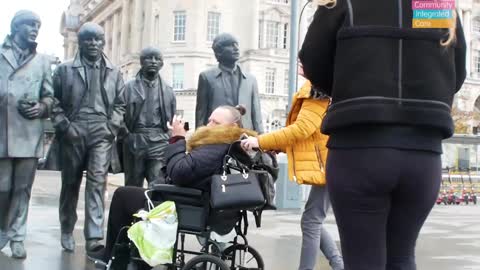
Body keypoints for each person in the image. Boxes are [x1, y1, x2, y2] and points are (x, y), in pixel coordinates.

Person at [298, 1, 466, 269]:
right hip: (422, 153)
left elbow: (313, 62)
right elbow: (455, 74)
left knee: (363, 260)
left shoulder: (344, 3)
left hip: (359, 148)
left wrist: (349, 85)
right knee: (401, 257)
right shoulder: (432, 5)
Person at [89, 105, 256, 264]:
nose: (209, 125)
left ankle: (112, 255)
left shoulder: (218, 146)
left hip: (186, 202)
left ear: (232, 126)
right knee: (132, 194)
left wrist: (177, 138)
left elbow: (179, 172)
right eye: (210, 120)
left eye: (216, 122)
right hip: (197, 199)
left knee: (122, 195)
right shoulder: (227, 145)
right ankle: (128, 254)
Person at [241, 78, 344, 270]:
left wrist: (260, 142)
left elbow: (301, 129)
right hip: (333, 161)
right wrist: (274, 145)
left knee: (312, 220)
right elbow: (311, 137)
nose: (301, 63)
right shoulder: (322, 87)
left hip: (333, 163)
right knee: (312, 219)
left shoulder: (317, 90)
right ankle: (339, 265)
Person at [50, 22, 126, 252]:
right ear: (80, 42)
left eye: (98, 39)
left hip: (101, 132)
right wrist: (65, 126)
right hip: (74, 129)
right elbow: (53, 102)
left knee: (97, 183)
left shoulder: (114, 71)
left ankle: (94, 237)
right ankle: (66, 229)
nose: (94, 44)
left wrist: (111, 127)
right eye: (88, 39)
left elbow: (120, 105)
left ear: (103, 42)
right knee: (70, 183)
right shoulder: (64, 70)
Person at [0, 10, 55, 259]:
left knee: (22, 189)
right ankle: (2, 229)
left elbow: (50, 96)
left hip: (28, 133)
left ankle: (17, 236)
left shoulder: (43, 61)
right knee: (2, 188)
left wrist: (41, 107)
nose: (35, 29)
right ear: (16, 27)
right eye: (30, 25)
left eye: (38, 25)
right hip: (2, 132)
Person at [121, 46, 176, 187]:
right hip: (135, 138)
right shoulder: (128, 88)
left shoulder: (168, 91)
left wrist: (168, 137)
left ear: (162, 64)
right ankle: (132, 209)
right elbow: (118, 114)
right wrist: (127, 136)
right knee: (133, 184)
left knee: (157, 183)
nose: (153, 61)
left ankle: (153, 208)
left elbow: (172, 118)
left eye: (157, 59)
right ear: (141, 62)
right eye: (148, 58)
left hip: (159, 140)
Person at [195, 33, 264, 133]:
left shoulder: (250, 79)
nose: (236, 48)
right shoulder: (207, 77)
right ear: (219, 51)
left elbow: (257, 115)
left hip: (245, 140)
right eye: (230, 45)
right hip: (218, 138)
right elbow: (201, 115)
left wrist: (261, 141)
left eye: (236, 44)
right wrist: (198, 142)